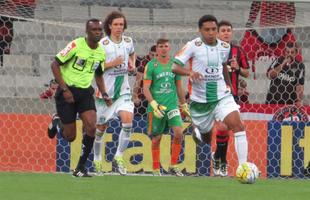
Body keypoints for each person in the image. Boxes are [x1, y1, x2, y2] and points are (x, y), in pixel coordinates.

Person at [172, 15, 248, 174]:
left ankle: (244, 168)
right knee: (206, 138)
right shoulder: (192, 45)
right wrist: (189, 72)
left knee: (238, 125)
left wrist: (229, 86)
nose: (211, 32)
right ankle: (199, 134)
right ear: (200, 30)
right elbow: (175, 67)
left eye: (214, 29)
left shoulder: (224, 47)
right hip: (200, 101)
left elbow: (223, 65)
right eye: (207, 30)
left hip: (222, 96)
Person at [47, 18, 110, 177]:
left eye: (99, 30)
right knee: (70, 136)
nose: (98, 32)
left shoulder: (101, 52)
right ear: (87, 32)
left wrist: (104, 93)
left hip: (85, 93)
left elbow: (99, 74)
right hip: (66, 91)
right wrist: (64, 89)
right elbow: (55, 64)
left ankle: (80, 167)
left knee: (91, 127)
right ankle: (57, 121)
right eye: (94, 30)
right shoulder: (76, 45)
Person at [93, 11, 136, 175]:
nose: (119, 27)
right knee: (100, 129)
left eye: (121, 24)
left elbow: (132, 53)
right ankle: (97, 159)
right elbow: (96, 69)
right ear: (109, 25)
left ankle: (119, 157)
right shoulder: (102, 44)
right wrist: (113, 63)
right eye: (116, 24)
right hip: (105, 94)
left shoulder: (128, 41)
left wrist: (131, 63)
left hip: (123, 92)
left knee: (127, 122)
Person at [143, 38, 190, 176]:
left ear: (169, 48)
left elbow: (179, 86)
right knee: (156, 139)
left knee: (178, 133)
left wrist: (183, 104)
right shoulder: (151, 65)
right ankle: (156, 168)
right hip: (157, 108)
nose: (163, 48)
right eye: (161, 46)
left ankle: (173, 165)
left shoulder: (174, 65)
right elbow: (145, 88)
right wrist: (153, 103)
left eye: (166, 46)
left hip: (172, 106)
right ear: (156, 49)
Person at [210, 20, 250, 177]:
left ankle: (218, 158)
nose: (226, 33)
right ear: (218, 33)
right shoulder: (212, 51)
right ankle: (222, 161)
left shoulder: (237, 51)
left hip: (232, 95)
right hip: (216, 94)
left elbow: (247, 73)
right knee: (223, 128)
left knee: (228, 128)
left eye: (229, 30)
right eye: (223, 30)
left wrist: (238, 67)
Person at [265, 42, 305, 107]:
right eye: (287, 52)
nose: (289, 54)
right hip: (272, 101)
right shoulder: (278, 60)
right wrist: (283, 64)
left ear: (296, 53)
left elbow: (300, 85)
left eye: (292, 52)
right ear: (284, 52)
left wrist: (299, 100)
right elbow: (269, 75)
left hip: (289, 102)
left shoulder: (300, 66)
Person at [133, 45, 156, 118]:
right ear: (149, 54)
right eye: (152, 55)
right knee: (138, 117)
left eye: (157, 55)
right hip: (143, 96)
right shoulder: (145, 61)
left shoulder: (163, 62)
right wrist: (135, 96)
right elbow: (138, 79)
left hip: (157, 95)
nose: (154, 57)